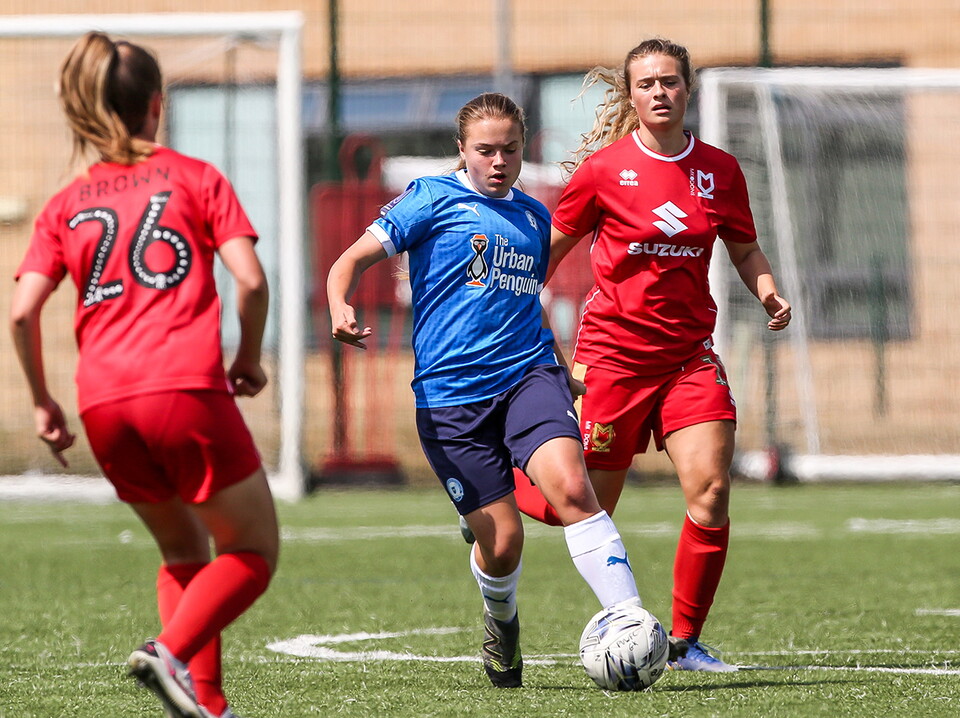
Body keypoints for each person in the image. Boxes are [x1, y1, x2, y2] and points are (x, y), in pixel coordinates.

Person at [327, 92, 651, 688]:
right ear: (461, 150)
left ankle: (628, 618)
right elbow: (347, 261)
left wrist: (563, 366)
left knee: (573, 487)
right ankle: (500, 619)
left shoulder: (531, 216)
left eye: (510, 149)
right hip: (450, 398)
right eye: (486, 150)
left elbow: (527, 299)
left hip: (528, 375)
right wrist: (338, 305)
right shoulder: (430, 198)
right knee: (503, 542)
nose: (499, 161)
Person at [9, 32, 278, 718]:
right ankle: (170, 653)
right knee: (251, 549)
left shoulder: (65, 203)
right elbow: (249, 281)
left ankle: (206, 703)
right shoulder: (196, 177)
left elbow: (20, 312)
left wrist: (43, 401)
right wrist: (247, 357)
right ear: (155, 105)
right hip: (183, 389)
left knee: (184, 549)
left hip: (102, 404)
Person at [511, 38, 792, 672]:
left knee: (712, 490)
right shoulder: (604, 171)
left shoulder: (719, 169)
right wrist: (514, 319)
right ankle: (495, 496)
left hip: (689, 358)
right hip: (612, 360)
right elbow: (541, 260)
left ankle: (686, 643)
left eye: (670, 81)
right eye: (646, 84)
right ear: (631, 95)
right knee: (583, 508)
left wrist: (768, 290)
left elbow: (744, 248)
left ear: (687, 88)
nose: (659, 93)